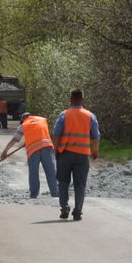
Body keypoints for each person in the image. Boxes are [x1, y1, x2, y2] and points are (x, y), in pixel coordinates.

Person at [51, 89, 100, 221]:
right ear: (82, 99)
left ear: (71, 99)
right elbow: (96, 136)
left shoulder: (64, 115)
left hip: (65, 154)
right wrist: (95, 150)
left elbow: (56, 134)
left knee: (63, 183)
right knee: (80, 185)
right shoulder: (90, 116)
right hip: (82, 155)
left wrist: (55, 150)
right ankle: (77, 212)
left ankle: (64, 209)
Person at [0, 112, 58, 199]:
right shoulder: (42, 120)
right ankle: (55, 193)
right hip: (46, 147)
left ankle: (34, 194)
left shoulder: (24, 125)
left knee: (33, 173)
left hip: (33, 150)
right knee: (51, 171)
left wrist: (5, 151)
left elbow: (14, 140)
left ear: (23, 119)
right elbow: (41, 133)